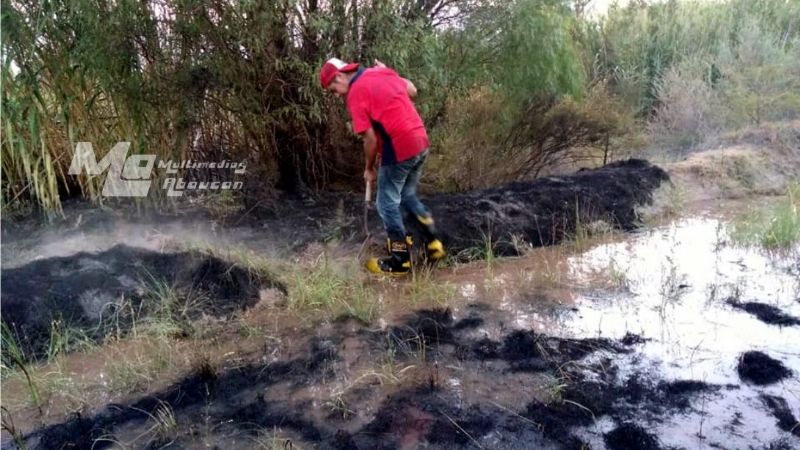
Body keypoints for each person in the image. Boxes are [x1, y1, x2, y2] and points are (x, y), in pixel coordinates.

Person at [319, 57, 445, 274]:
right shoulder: (380, 73)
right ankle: (434, 244)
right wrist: (391, 72)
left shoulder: (355, 94)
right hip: (420, 142)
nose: (337, 95)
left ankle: (400, 261)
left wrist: (369, 168)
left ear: (339, 76)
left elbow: (370, 139)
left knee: (386, 204)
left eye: (333, 89)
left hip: (400, 146)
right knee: (407, 196)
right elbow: (412, 90)